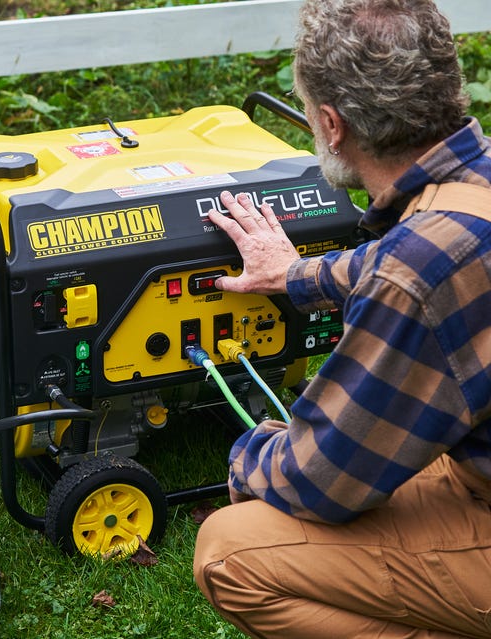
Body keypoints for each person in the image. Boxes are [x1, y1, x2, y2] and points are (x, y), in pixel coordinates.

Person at [192, 0, 491, 637]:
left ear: (332, 124)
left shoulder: (412, 273)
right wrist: (291, 273)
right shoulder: (472, 189)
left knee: (230, 552)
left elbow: (321, 482)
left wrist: (253, 454)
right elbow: (409, 258)